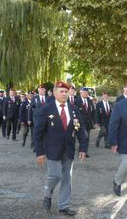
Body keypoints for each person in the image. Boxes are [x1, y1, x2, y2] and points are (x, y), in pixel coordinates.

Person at [34, 81, 87, 216]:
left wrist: (83, 148)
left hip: (69, 149)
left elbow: (80, 130)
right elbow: (38, 132)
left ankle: (63, 206)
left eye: (66, 91)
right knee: (55, 175)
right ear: (54, 93)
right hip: (52, 149)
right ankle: (48, 193)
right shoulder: (46, 109)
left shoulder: (74, 109)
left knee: (67, 178)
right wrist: (39, 152)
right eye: (61, 91)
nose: (64, 94)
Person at [75, 87, 96, 157]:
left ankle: (84, 151)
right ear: (81, 92)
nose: (86, 93)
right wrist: (76, 125)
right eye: (84, 92)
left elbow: (93, 112)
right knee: (84, 136)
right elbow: (74, 114)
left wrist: (95, 122)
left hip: (88, 123)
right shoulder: (77, 101)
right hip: (80, 123)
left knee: (87, 137)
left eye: (87, 92)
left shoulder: (90, 101)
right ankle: (82, 150)